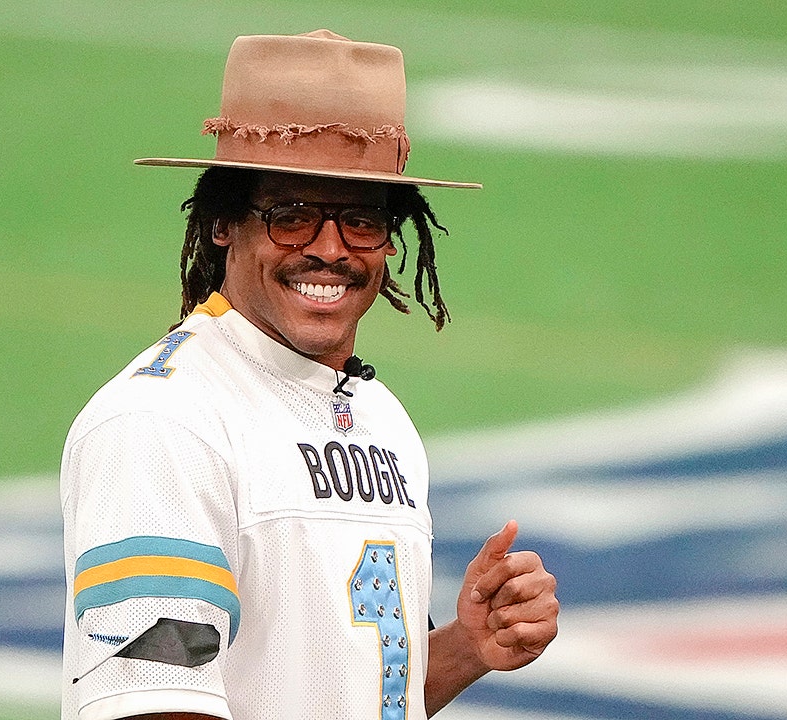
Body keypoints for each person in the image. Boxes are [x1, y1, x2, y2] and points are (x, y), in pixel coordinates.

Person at [61, 29, 558, 720]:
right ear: (223, 222)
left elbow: (346, 694)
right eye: (291, 217)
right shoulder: (164, 423)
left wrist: (463, 649)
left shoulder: (379, 416)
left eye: (361, 220)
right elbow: (157, 700)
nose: (330, 250)